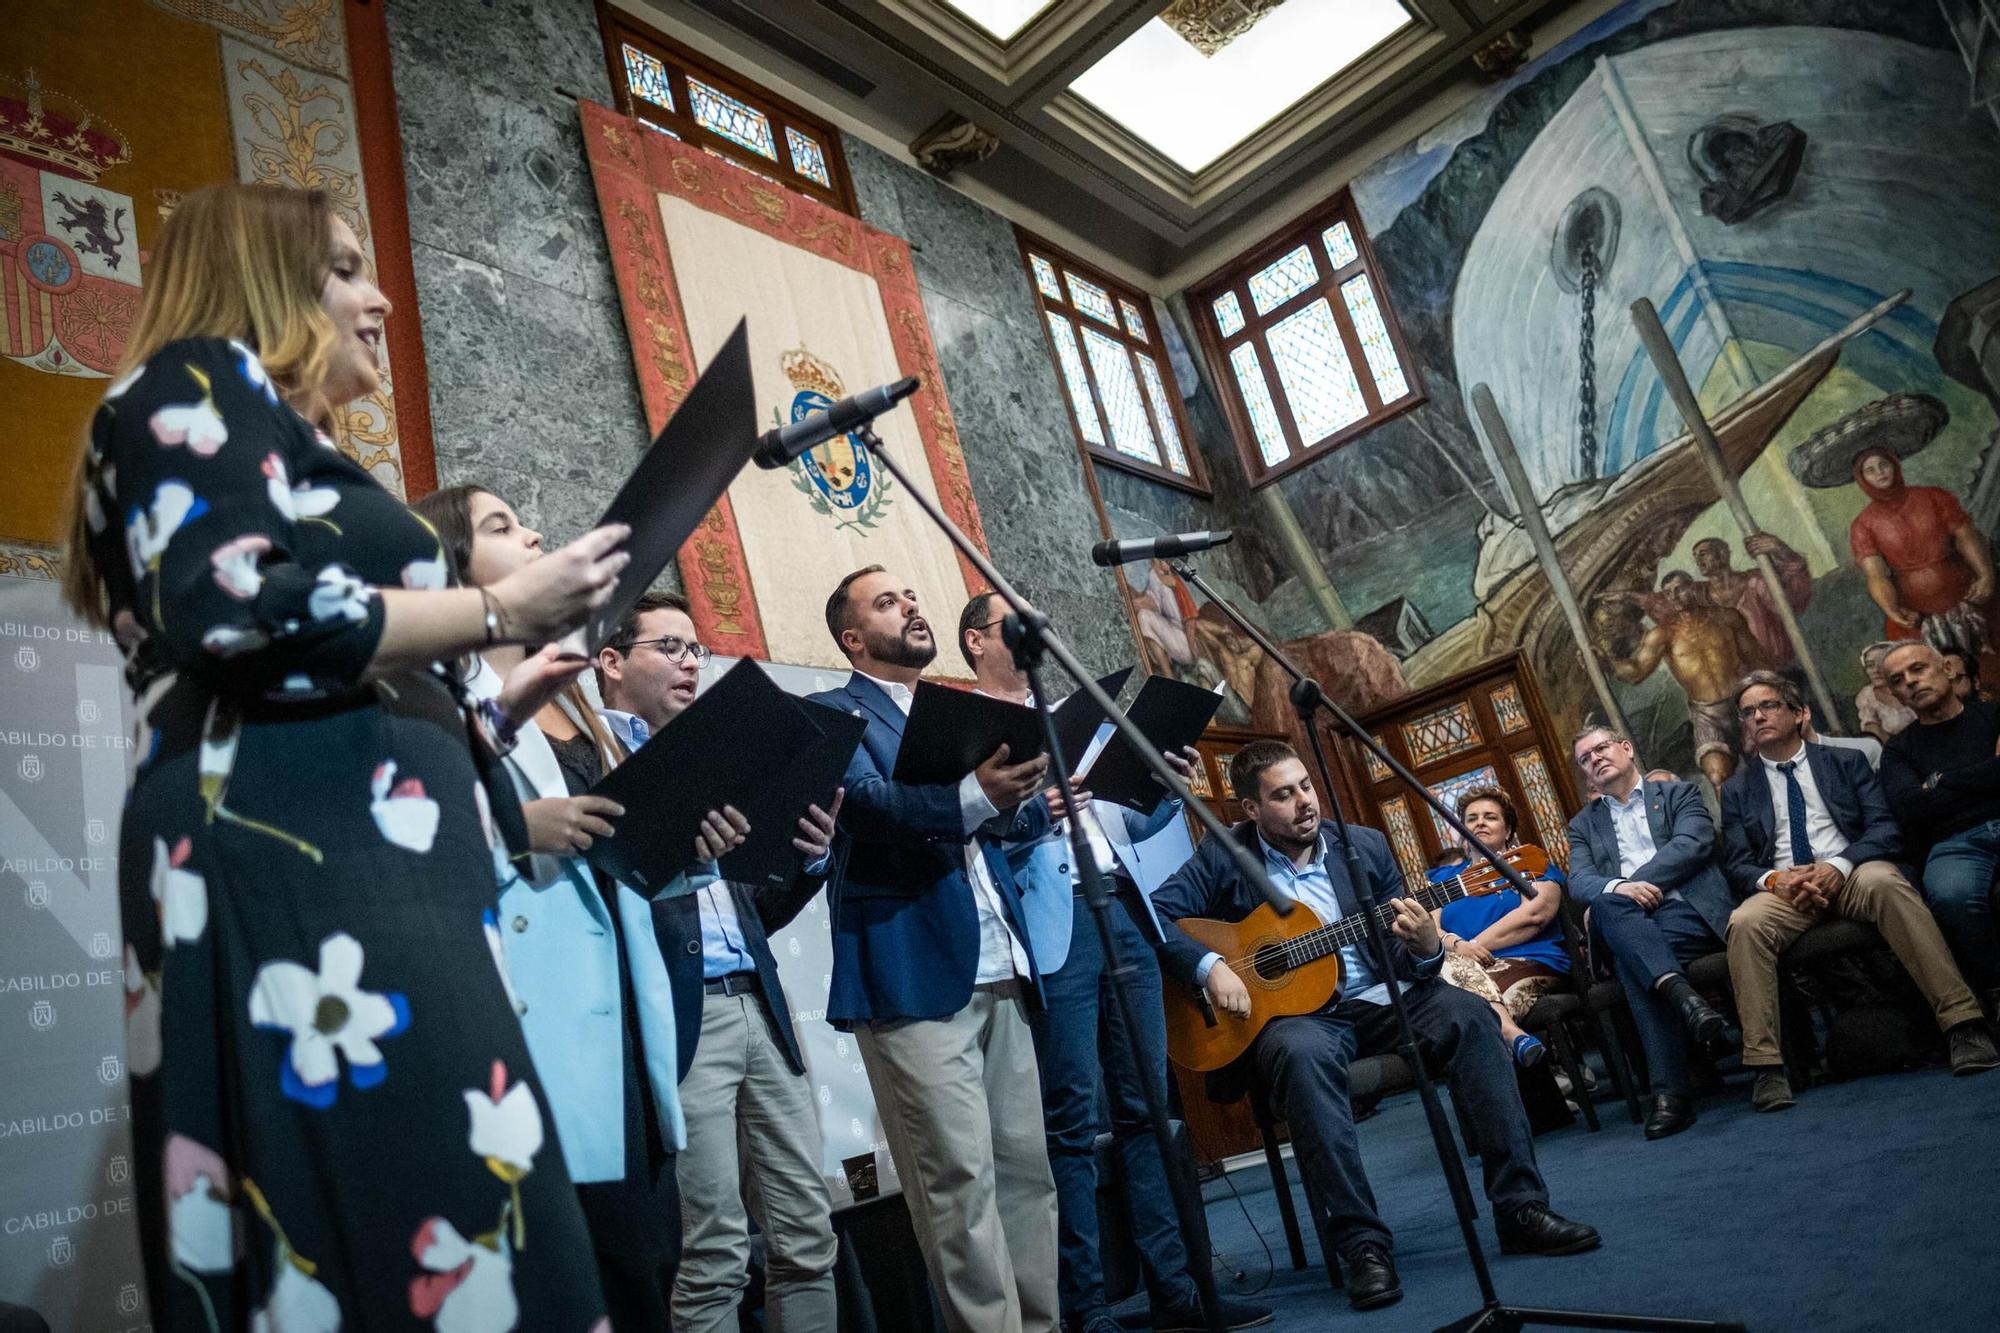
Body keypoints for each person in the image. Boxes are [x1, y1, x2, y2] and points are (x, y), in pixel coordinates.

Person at [63, 183, 623, 1325]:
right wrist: (499, 612)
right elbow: (242, 615)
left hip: (373, 863)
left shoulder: (294, 442)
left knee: (451, 1197)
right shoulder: (195, 378)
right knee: (390, 1205)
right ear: (262, 276)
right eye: (344, 269)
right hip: (300, 857)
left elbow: (356, 663)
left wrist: (495, 698)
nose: (378, 301)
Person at [1152, 741, 1599, 1312]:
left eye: (1305, 787)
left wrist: (1428, 946)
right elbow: (1155, 914)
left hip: (1385, 997)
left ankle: (1521, 1208)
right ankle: (1363, 1247)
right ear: (1250, 810)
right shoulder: (1223, 854)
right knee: (1303, 1057)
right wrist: (1211, 966)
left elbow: (1409, 955)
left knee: (1468, 1015)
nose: (1303, 803)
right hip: (1300, 1017)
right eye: (1282, 796)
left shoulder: (1362, 845)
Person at [957, 593, 1271, 1333]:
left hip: (1122, 911)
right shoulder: (970, 729)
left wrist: (1164, 782)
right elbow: (974, 833)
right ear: (976, 641)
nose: (1033, 625)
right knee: (1071, 1123)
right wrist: (1039, 812)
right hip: (1051, 922)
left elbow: (1130, 815)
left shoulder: (1080, 711)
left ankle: (1178, 1289)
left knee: (1151, 1110)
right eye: (1011, 620)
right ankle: (1087, 1306)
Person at [806, 567, 1060, 1332]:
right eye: (888, 602)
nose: (912, 607)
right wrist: (981, 795)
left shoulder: (961, 710)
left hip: (1001, 961)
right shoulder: (831, 713)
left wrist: (1026, 798)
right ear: (853, 637)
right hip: (912, 974)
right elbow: (870, 809)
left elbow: (1009, 826)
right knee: (958, 1185)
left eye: (912, 596)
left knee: (1025, 1173)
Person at [594, 590, 844, 1333]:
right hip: (679, 1018)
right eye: (669, 647)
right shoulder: (589, 761)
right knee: (713, 1254)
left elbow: (751, 911)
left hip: (758, 1007)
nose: (689, 662)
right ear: (610, 661)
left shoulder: (719, 754)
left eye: (697, 649)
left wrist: (809, 854)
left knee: (808, 1235)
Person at [1719, 671, 1996, 1111]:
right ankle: (1768, 1067)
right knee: (1744, 922)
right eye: (1748, 712)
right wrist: (1777, 880)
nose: (1757, 717)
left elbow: (1885, 827)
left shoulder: (1843, 763)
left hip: (1850, 872)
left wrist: (1838, 865)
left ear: (1797, 713)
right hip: (1785, 891)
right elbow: (1737, 863)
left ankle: (1963, 1025)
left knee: (1885, 882)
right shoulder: (1736, 790)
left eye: (1768, 706)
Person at [1566, 725, 1734, 1140]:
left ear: (1626, 748)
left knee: (1629, 956)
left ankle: (1670, 1095)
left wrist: (1625, 889)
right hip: (1634, 925)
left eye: (1601, 748)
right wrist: (1617, 894)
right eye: (1585, 759)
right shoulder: (1583, 824)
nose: (1595, 759)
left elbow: (1693, 845)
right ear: (1586, 774)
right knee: (1619, 921)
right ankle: (1685, 999)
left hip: (1686, 912)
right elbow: (1579, 881)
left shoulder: (1679, 795)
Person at [1879, 642, 2000, 999]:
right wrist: (1986, 775)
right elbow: (1912, 808)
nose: (1911, 682)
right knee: (1950, 897)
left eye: (1918, 669)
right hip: (1956, 843)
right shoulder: (1898, 750)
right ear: (1897, 696)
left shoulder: (1994, 715)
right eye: (1899, 680)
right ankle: (1995, 991)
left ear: (1946, 670)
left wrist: (1940, 781)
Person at [1426, 786, 1571, 1069]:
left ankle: (1544, 1095)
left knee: (1476, 1013)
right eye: (1471, 818)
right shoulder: (1444, 878)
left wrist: (1472, 948)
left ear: (1508, 830)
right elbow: (1430, 930)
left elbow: (1535, 914)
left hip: (1529, 960)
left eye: (1490, 817)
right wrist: (1457, 947)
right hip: (1458, 966)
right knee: (1453, 1007)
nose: (1479, 822)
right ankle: (1522, 1046)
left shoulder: (1530, 864)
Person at [1598, 570, 1769, 787]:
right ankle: (1736, 821)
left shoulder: (1727, 617)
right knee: (1717, 775)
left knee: (1769, 763)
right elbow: (1635, 672)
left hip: (1742, 704)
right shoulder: (1663, 634)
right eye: (1669, 593)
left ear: (1693, 587)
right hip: (1707, 715)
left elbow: (1756, 659)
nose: (1675, 596)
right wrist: (1604, 661)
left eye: (1680, 589)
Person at [1847, 447, 2000, 681]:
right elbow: (1876, 575)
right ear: (1862, 479)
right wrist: (1892, 610)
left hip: (1968, 593)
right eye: (1870, 470)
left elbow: (1966, 536)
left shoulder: (1933, 496)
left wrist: (1986, 575)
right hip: (1918, 614)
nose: (1879, 473)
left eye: (1883, 465)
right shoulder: (1863, 524)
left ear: (1894, 465)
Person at [1691, 533, 1812, 666]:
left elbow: (1791, 602)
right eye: (1695, 556)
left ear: (1723, 554)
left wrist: (1780, 549)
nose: (1698, 561)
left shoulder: (1755, 582)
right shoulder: (1700, 597)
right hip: (1741, 678)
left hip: (1779, 667)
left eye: (1703, 554)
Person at [1856, 640, 1918, 741]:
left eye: (1881, 663)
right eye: (1870, 665)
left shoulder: (1914, 683)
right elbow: (1874, 733)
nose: (1875, 670)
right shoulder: (1867, 697)